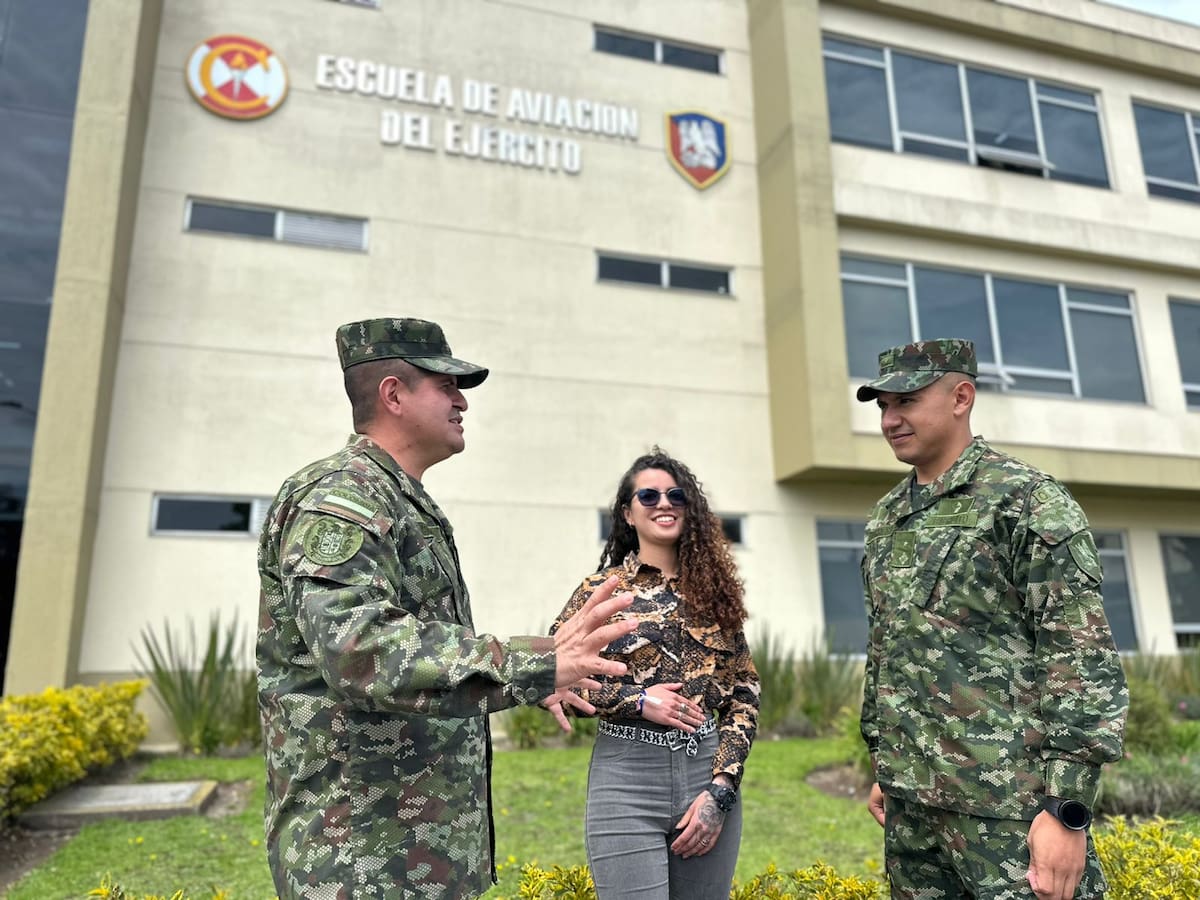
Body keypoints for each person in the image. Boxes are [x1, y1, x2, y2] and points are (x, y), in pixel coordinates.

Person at [256, 317, 639, 900]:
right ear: (394, 394)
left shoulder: (401, 499)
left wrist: (536, 678)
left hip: (413, 854)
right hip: (360, 861)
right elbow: (360, 649)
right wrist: (536, 663)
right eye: (446, 385)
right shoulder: (342, 499)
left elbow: (415, 642)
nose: (462, 401)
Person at [856, 339, 1129, 900]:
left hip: (1009, 807)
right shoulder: (888, 516)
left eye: (905, 400)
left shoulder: (1025, 500)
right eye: (882, 405)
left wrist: (1066, 809)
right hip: (912, 806)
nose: (890, 419)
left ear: (961, 397)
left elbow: (1079, 657)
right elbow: (887, 647)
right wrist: (888, 762)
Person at [551, 448, 760, 900]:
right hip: (626, 777)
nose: (663, 503)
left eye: (675, 495)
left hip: (707, 773)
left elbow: (744, 693)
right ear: (628, 513)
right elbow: (559, 680)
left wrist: (722, 790)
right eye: (648, 495)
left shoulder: (713, 591)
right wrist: (640, 702)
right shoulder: (600, 591)